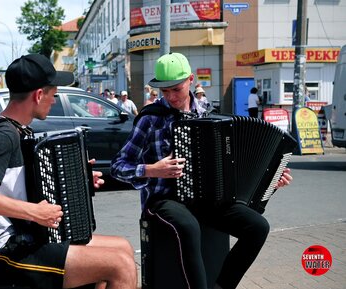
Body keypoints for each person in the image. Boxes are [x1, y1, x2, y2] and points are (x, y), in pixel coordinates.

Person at [0, 54, 136, 289]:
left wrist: (81, 181)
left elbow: (24, 186)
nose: (54, 101)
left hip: (25, 238)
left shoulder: (19, 131)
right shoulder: (3, 135)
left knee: (122, 248)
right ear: (39, 95)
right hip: (0, 250)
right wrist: (34, 212)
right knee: (120, 265)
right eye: (54, 95)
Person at [110, 53, 293, 289]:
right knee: (188, 226)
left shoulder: (207, 112)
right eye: (164, 91)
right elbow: (118, 167)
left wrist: (269, 178)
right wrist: (152, 170)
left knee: (258, 227)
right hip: (162, 199)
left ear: (190, 80)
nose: (170, 97)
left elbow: (231, 166)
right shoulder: (150, 118)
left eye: (176, 89)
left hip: (205, 199)